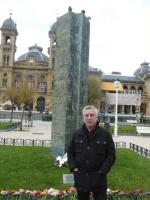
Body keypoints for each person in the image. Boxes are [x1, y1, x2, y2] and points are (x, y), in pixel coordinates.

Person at [67, 105, 116, 200]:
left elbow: (111, 155)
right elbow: (70, 152)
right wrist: (74, 168)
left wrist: (102, 171)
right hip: (81, 178)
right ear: (83, 117)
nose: (89, 118)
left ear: (96, 117)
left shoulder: (105, 135)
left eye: (92, 115)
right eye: (86, 115)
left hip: (99, 179)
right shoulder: (77, 134)